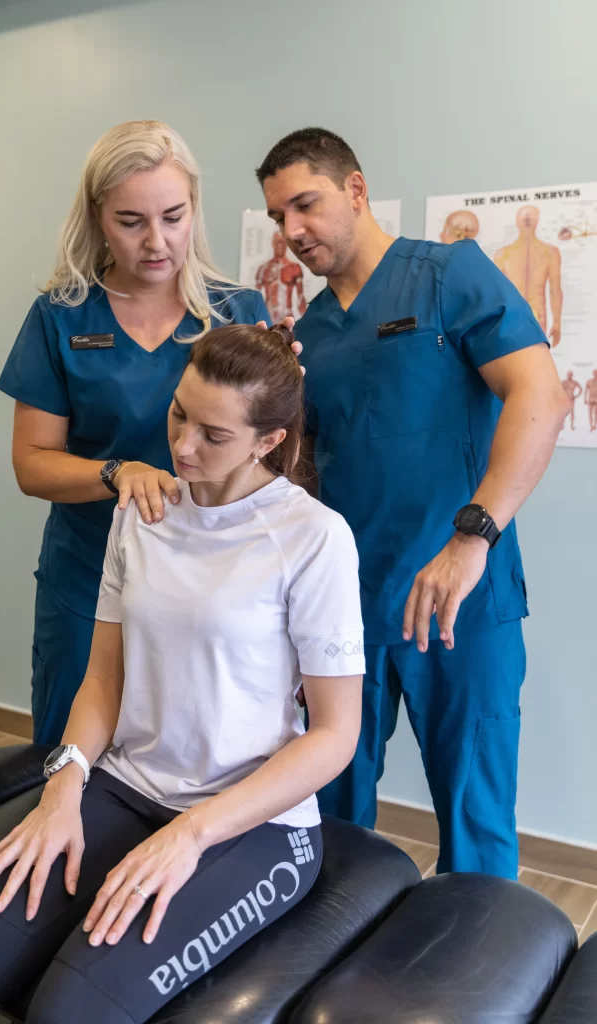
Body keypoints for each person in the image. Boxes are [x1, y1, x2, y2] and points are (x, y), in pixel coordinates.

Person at [0, 324, 365, 1024]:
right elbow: (104, 681)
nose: (182, 446)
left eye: (214, 435)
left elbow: (333, 736)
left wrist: (189, 835)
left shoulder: (312, 537)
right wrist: (62, 787)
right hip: (126, 786)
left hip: (251, 825)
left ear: (267, 440)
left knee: (70, 1010)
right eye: (180, 413)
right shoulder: (143, 510)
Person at [257, 127, 571, 879]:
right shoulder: (311, 333)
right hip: (345, 609)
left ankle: (480, 979)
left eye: (304, 205)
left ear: (355, 189)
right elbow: (310, 476)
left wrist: (471, 541)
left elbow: (540, 395)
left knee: (473, 823)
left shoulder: (447, 275)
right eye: (276, 217)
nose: (291, 231)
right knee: (327, 812)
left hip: (459, 597)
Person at [0, 120, 286, 746]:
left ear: (194, 210)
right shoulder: (63, 315)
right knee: (71, 758)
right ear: (98, 217)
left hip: (209, 585)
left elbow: (270, 458)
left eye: (174, 217)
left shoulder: (238, 311)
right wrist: (116, 472)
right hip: (88, 575)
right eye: (131, 222)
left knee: (196, 759)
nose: (157, 241)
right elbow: (32, 464)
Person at [494, 205, 563, 346]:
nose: (527, 221)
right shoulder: (503, 254)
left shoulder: (550, 252)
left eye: (529, 218)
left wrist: (557, 323)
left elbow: (555, 290)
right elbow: (495, 294)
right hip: (517, 319)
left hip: (528, 318)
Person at [255, 230, 307, 321]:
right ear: (272, 244)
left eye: (282, 242)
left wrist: (306, 321)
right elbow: (256, 299)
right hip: (267, 317)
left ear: (286, 244)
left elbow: (300, 298)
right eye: (277, 242)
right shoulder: (263, 269)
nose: (280, 246)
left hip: (287, 317)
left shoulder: (294, 268)